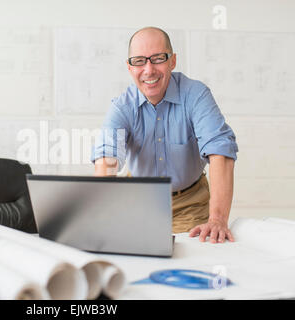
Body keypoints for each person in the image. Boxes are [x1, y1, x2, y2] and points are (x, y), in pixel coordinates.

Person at [91, 27, 238, 243]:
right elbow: (107, 159)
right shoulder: (122, 106)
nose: (149, 70)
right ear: (130, 67)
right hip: (137, 200)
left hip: (190, 202)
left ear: (172, 61)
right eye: (139, 61)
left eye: (158, 58)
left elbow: (220, 150)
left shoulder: (196, 96)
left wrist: (217, 219)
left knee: (191, 258)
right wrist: (97, 215)